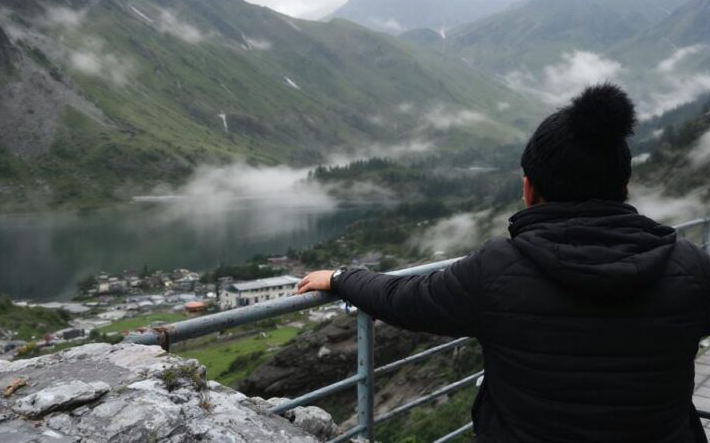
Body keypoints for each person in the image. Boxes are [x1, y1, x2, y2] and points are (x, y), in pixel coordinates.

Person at [297, 83, 710, 443]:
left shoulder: (497, 270)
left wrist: (339, 277)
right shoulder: (689, 267)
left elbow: (400, 298)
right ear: (624, 186)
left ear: (530, 190)